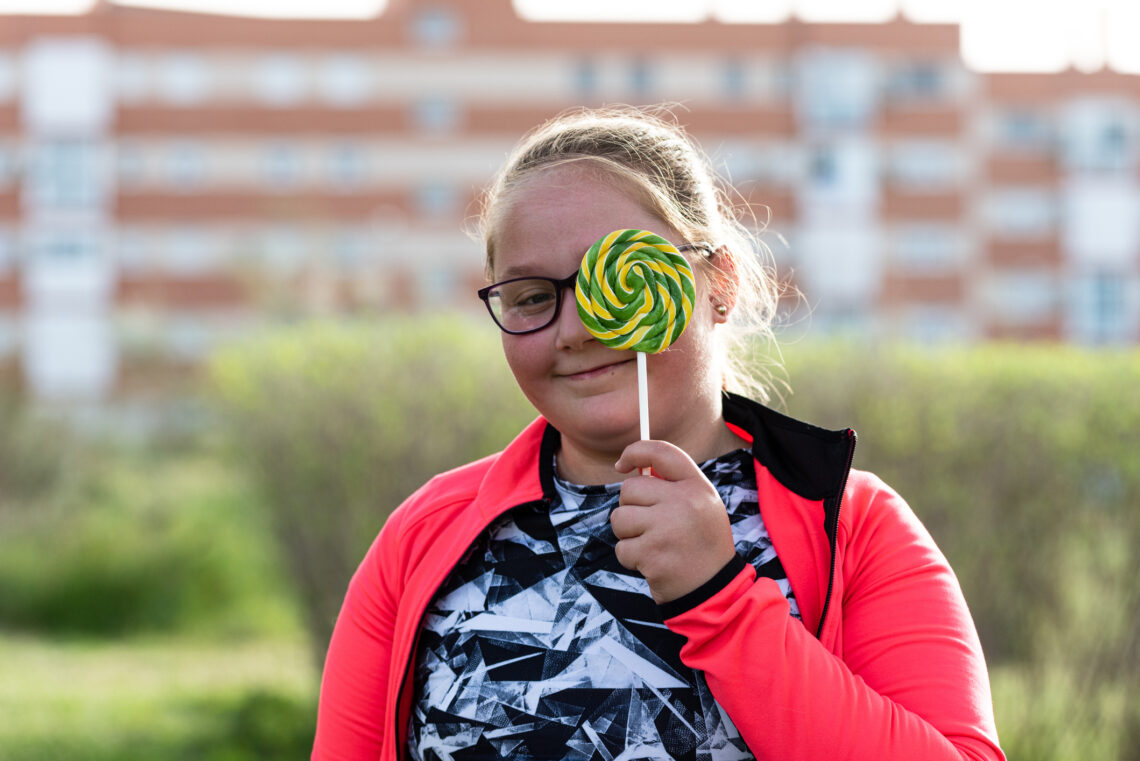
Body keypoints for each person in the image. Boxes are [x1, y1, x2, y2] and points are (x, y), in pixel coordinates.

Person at [312, 106, 1005, 761]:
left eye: (615, 278)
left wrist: (722, 601)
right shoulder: (427, 536)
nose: (578, 328)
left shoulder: (854, 525)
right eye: (530, 296)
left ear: (718, 283)